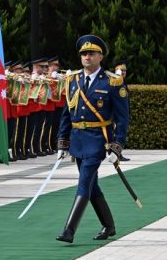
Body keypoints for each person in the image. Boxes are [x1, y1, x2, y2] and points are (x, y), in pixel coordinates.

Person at [56, 34, 129, 243]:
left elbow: (123, 119)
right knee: (92, 184)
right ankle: (109, 225)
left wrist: (117, 146)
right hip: (78, 139)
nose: (87, 57)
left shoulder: (112, 82)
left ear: (100, 56)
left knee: (85, 179)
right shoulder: (73, 80)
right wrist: (63, 141)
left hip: (99, 139)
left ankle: (69, 230)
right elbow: (67, 113)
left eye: (91, 53)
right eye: (84, 54)